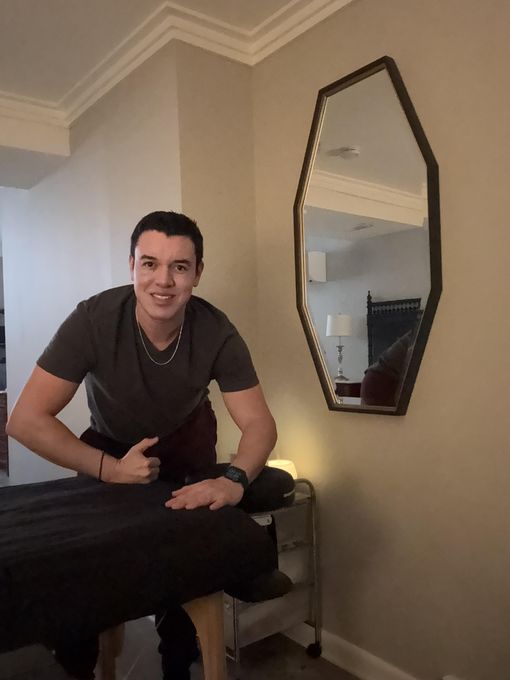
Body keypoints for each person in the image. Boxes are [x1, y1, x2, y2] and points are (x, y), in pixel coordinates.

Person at [6, 210, 277, 680]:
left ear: (197, 273)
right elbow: (25, 420)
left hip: (188, 444)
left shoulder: (217, 330)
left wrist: (234, 479)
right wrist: (110, 469)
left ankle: (178, 662)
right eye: (150, 264)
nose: (163, 281)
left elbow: (260, 424)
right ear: (132, 266)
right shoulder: (92, 319)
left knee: (185, 559)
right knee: (81, 566)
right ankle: (79, 667)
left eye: (179, 266)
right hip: (107, 449)